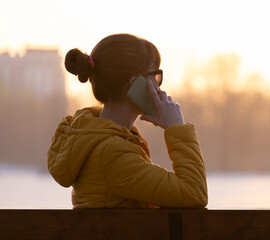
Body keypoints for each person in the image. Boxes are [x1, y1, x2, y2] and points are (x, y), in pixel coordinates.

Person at [47, 33, 208, 208]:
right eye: (155, 76)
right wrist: (177, 127)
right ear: (134, 84)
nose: (158, 86)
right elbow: (194, 193)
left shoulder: (104, 139)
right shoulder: (111, 153)